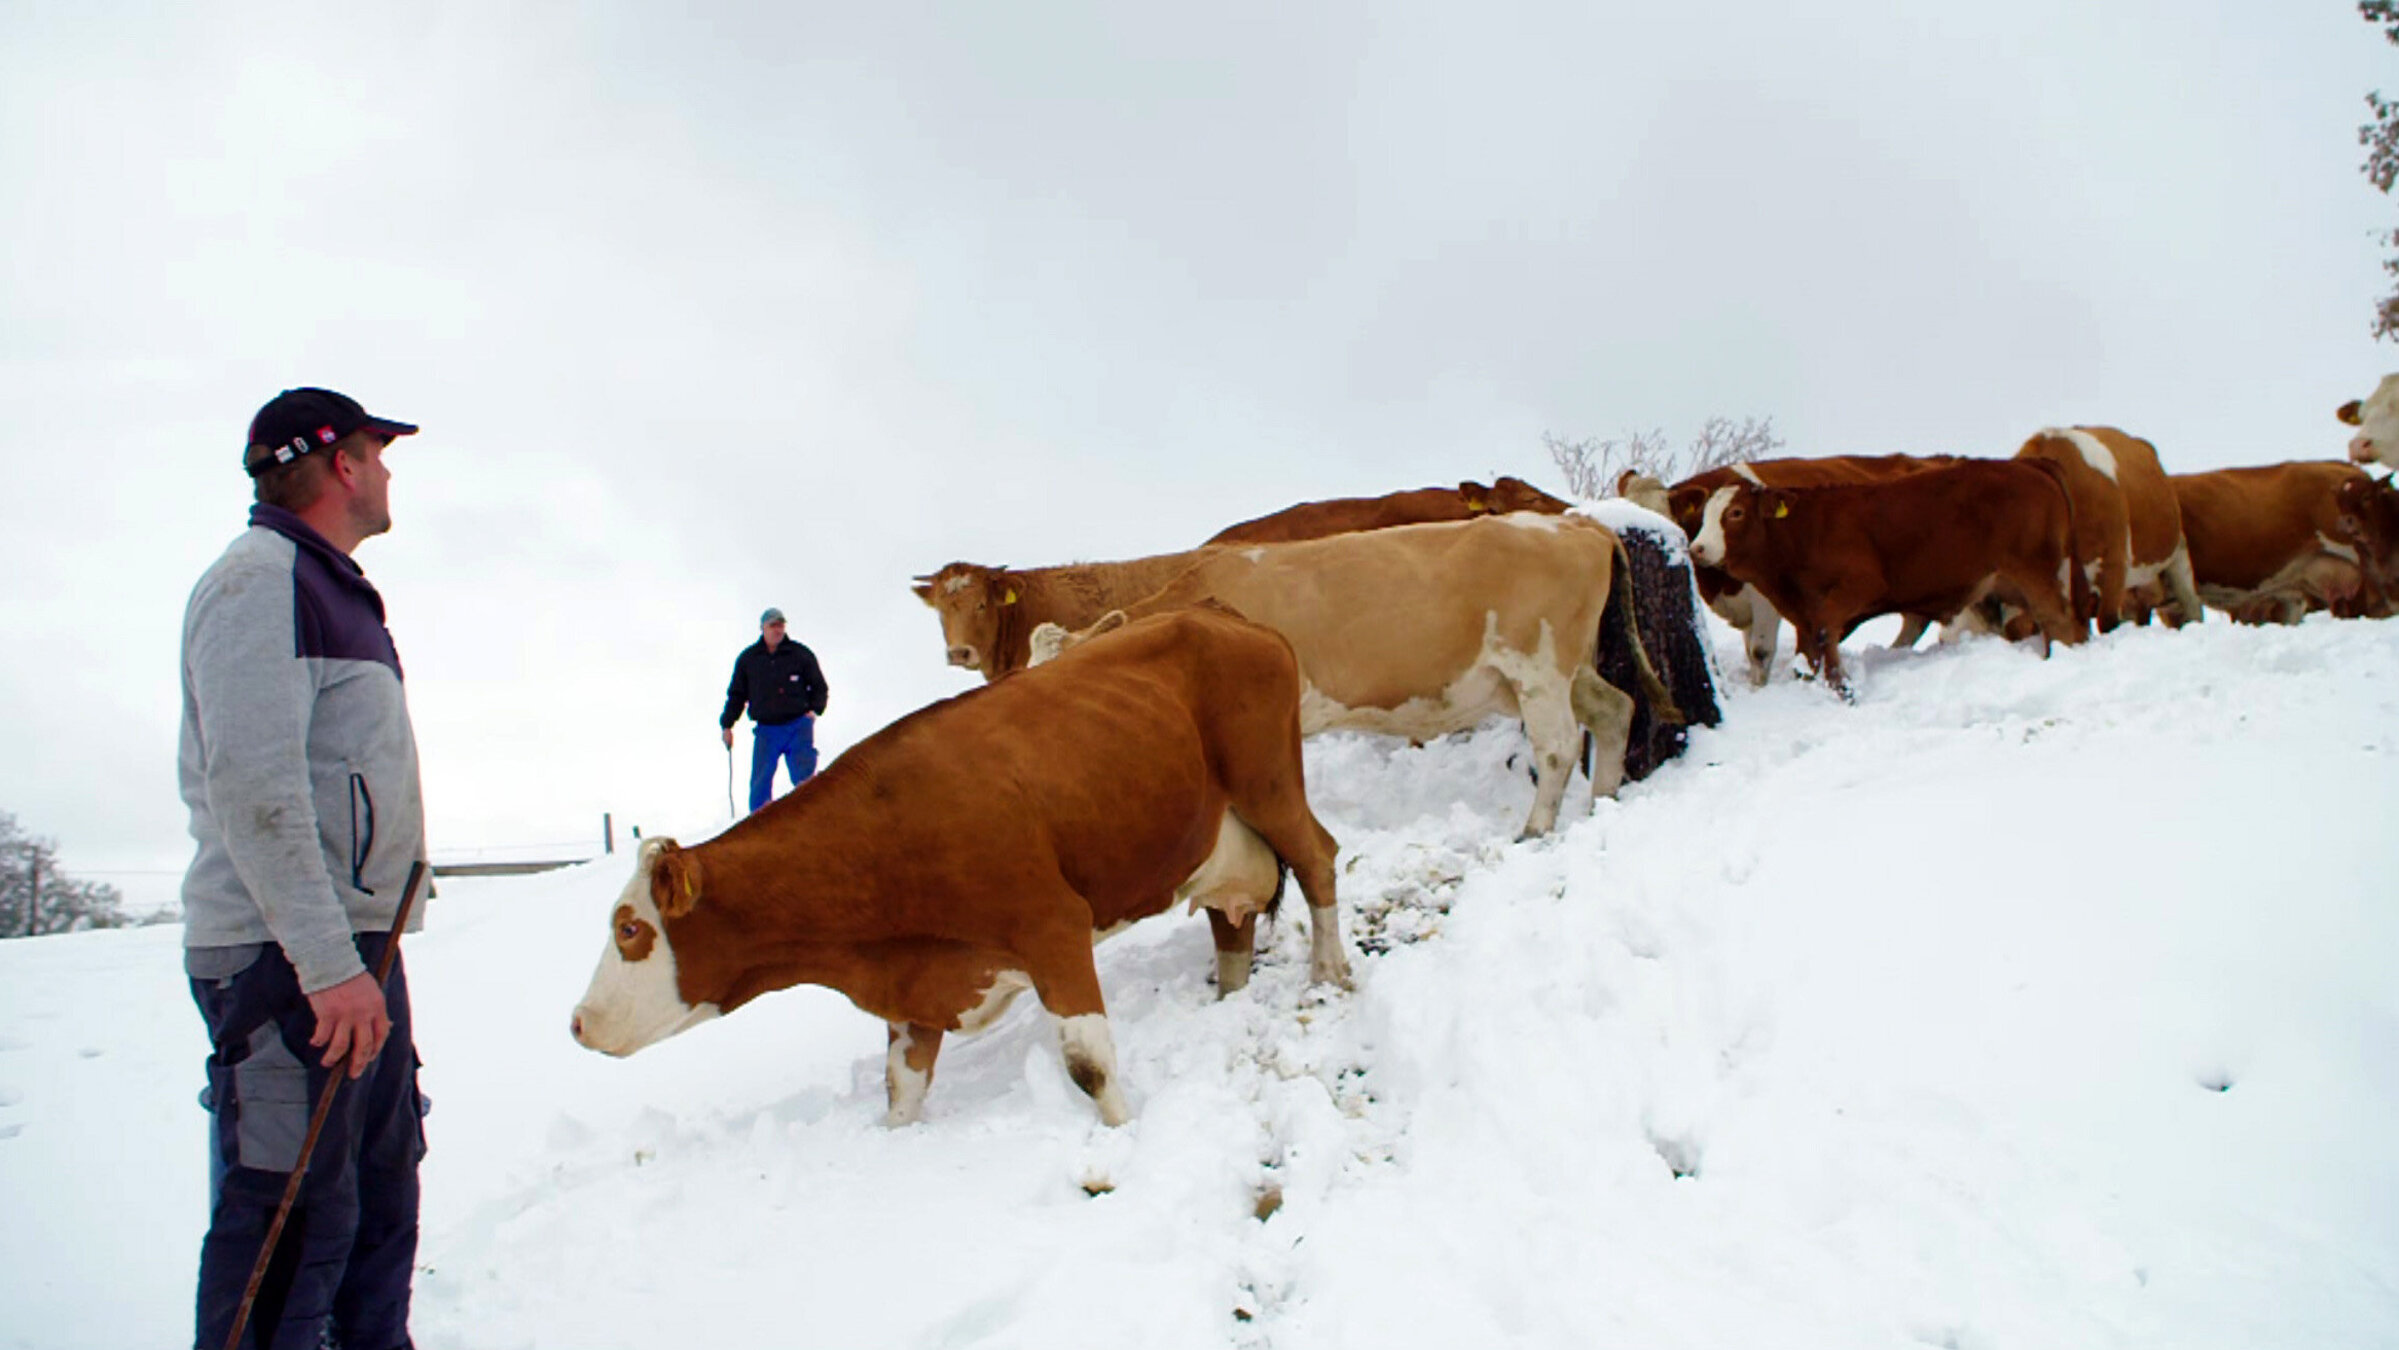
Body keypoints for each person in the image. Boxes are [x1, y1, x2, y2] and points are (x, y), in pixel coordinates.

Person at [179, 386, 431, 1350]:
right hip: (285, 957)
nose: (390, 469)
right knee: (287, 1215)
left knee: (374, 1197)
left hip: (349, 950)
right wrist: (326, 963)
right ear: (339, 464)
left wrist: (357, 954)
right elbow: (255, 786)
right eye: (379, 450)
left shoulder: (329, 585)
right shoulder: (259, 580)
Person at [720, 607, 829, 812]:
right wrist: (727, 724)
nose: (777, 630)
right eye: (773, 625)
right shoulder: (749, 660)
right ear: (762, 628)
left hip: (798, 727)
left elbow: (819, 686)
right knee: (760, 783)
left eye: (781, 625)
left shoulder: (800, 654)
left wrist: (814, 711)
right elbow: (737, 695)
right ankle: (760, 828)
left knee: (806, 781)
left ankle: (813, 818)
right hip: (767, 731)